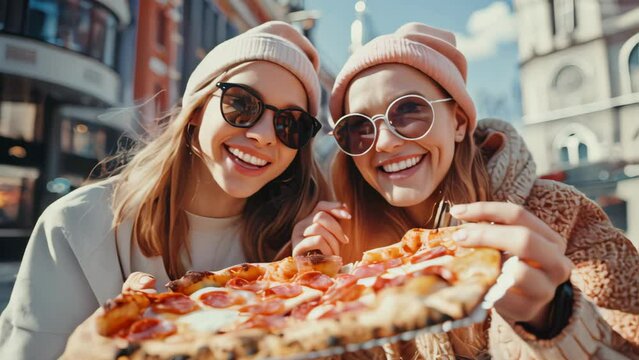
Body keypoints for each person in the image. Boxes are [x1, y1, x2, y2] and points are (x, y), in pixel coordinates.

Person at [293, 22, 639, 359]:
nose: (384, 143)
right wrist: (307, 297)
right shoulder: (348, 254)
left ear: (458, 122)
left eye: (409, 110)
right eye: (358, 127)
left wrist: (553, 319)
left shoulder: (557, 212)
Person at [0, 21, 329, 359]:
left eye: (291, 123)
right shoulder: (74, 225)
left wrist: (310, 279)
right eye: (241, 105)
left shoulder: (302, 243)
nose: (264, 135)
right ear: (197, 109)